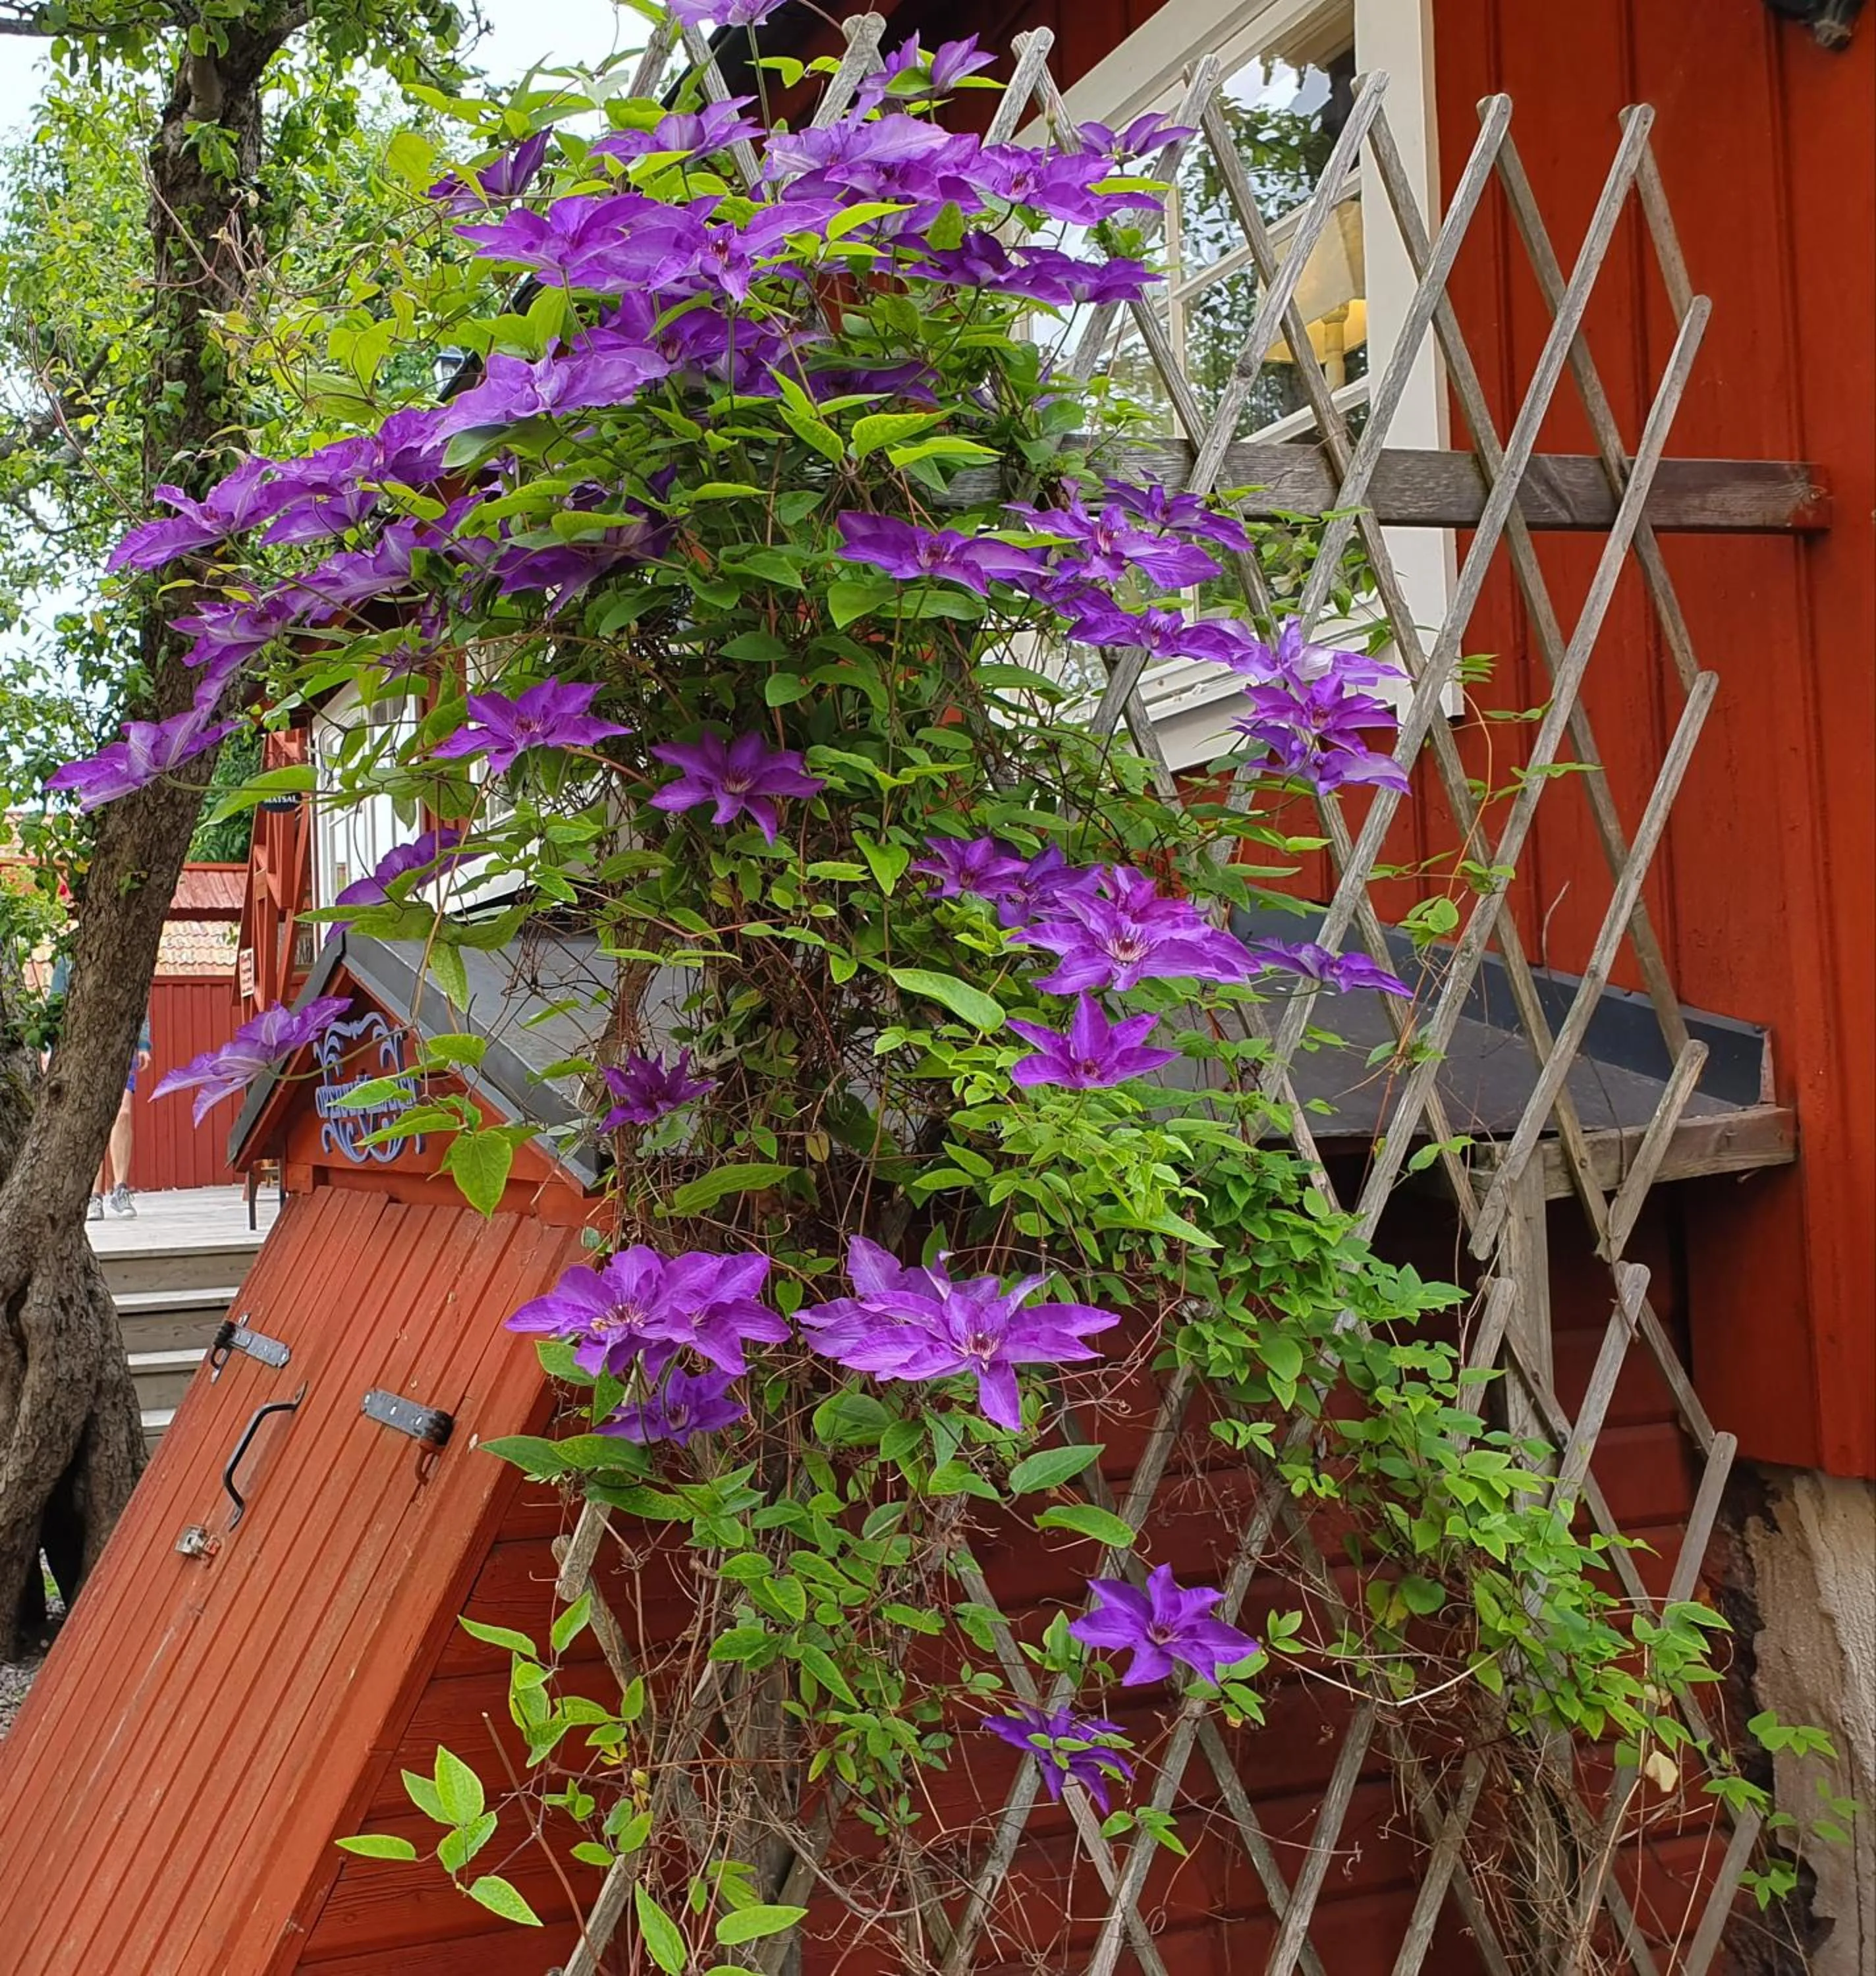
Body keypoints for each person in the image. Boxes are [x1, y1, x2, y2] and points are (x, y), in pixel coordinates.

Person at [47, 954, 151, 1220]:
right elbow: (55, 1004)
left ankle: (120, 1189)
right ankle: (93, 1196)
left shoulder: (128, 953)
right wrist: (49, 1047)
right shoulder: (67, 958)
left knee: (123, 1112)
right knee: (89, 1117)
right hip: (82, 1048)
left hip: (121, 1045)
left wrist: (143, 1044)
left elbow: (140, 1003)